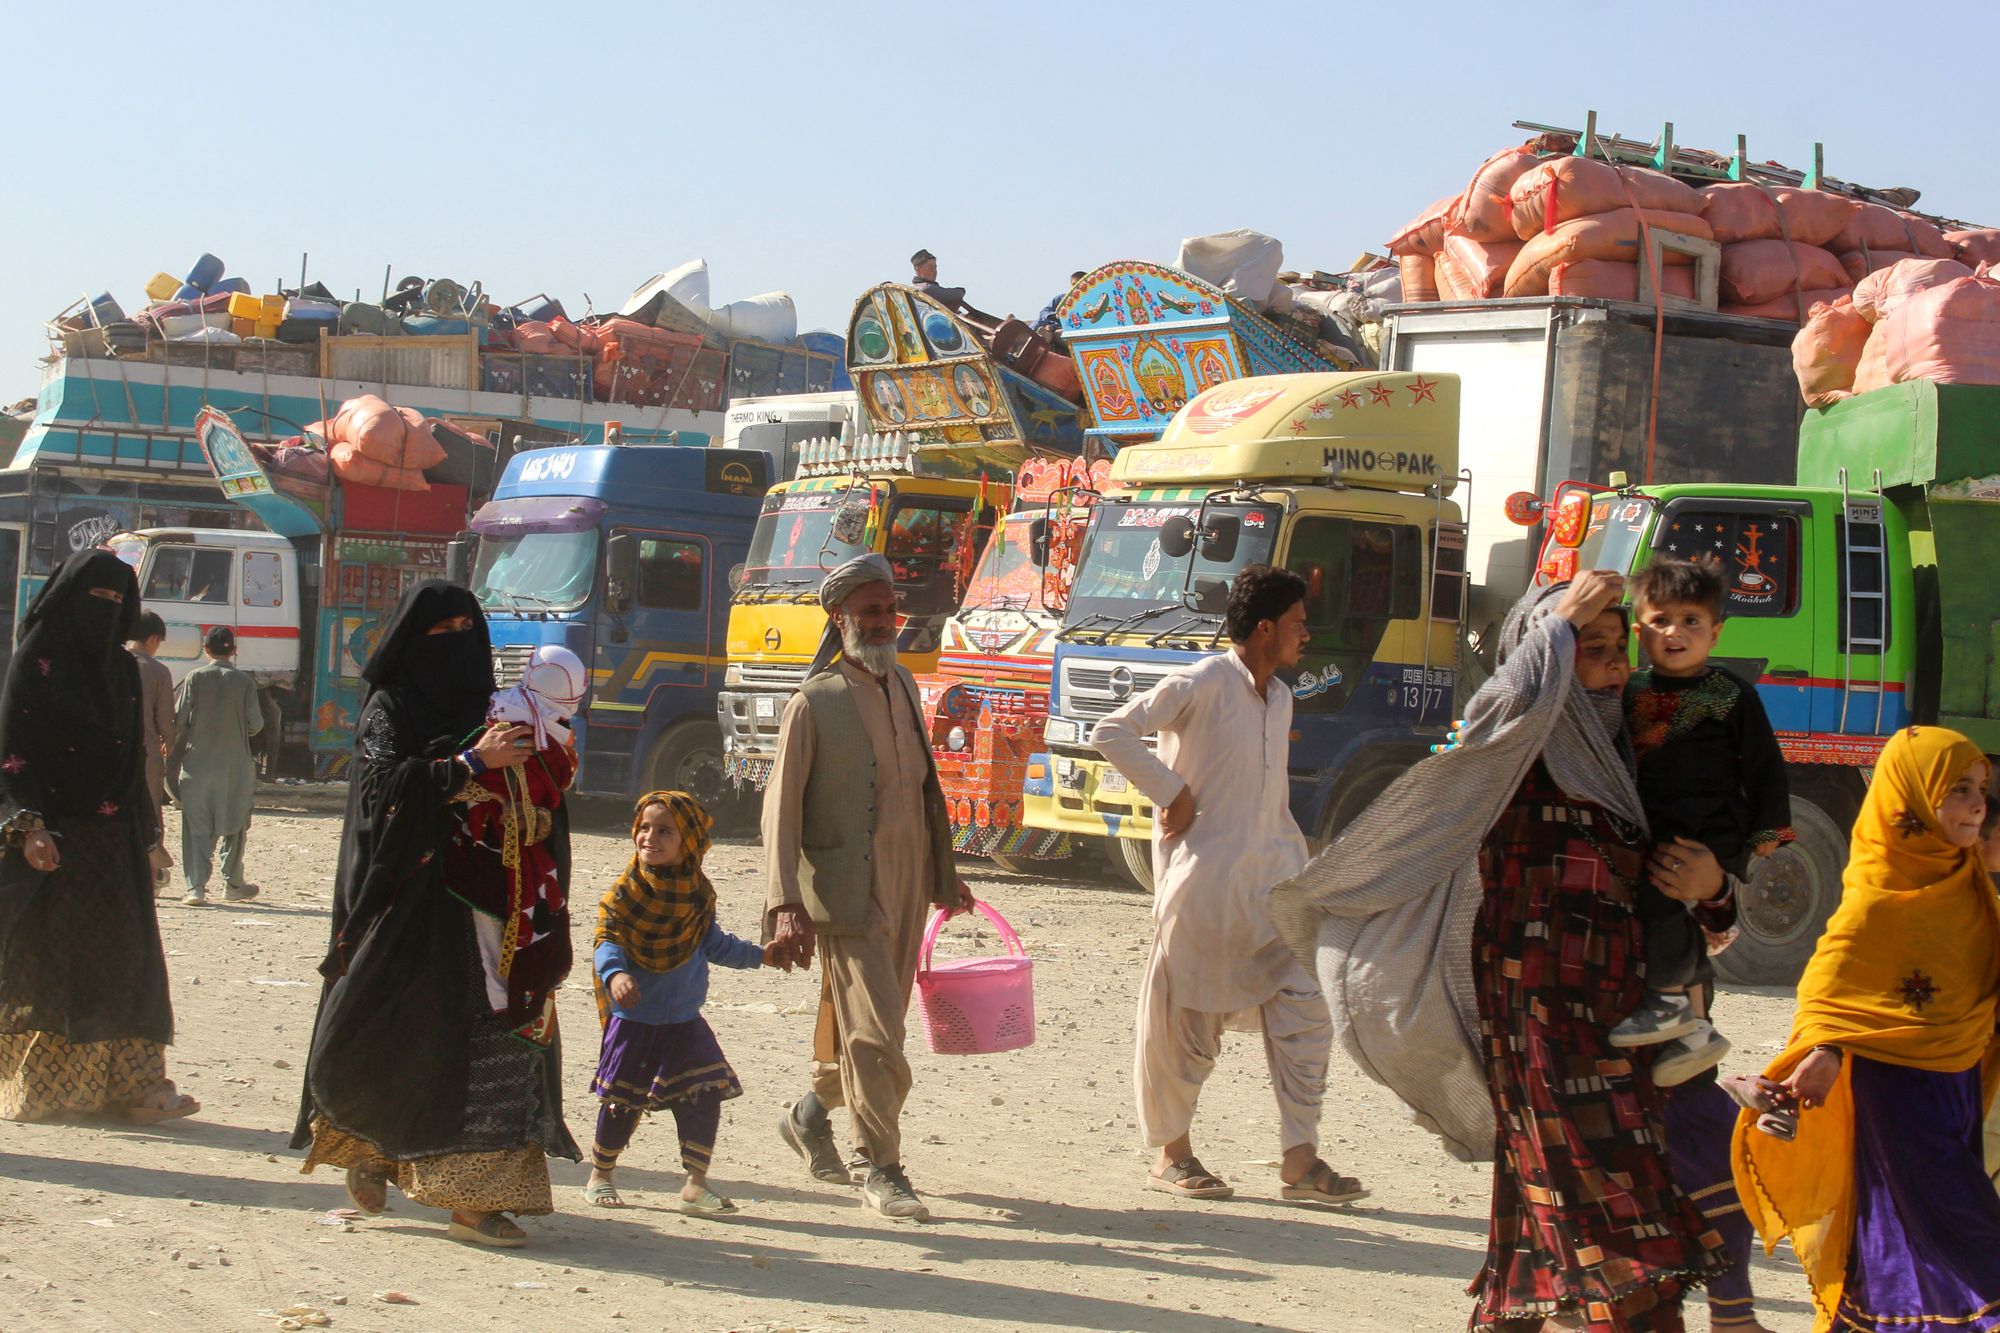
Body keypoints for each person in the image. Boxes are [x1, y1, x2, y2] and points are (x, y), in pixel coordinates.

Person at [1270, 573, 1731, 1330]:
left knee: (1559, 1172)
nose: (1615, 665)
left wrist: (1716, 890)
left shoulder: (1626, 751)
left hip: (1621, 1006)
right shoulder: (1516, 747)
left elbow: (1693, 846)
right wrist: (1555, 627)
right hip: (1541, 1002)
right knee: (1594, 1178)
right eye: (1593, 649)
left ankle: (1528, 1314)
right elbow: (1499, 707)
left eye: (1622, 649)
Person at [291, 582, 579, 1250]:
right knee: (398, 1033)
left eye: (464, 628)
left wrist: (528, 812)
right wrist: (468, 765)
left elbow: (545, 797)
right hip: (412, 909)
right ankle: (371, 1147)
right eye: (438, 630)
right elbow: (382, 792)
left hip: (494, 912)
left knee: (496, 1043)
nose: (454, 644)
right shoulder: (388, 709)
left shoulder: (501, 707)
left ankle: (477, 1201)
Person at [1090, 564, 1359, 1206]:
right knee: (1187, 1023)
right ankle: (1172, 1156)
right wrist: (1171, 791)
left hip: (1276, 886)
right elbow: (1111, 731)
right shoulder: (1203, 681)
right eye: (1298, 623)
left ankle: (1300, 1158)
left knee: (1305, 1010)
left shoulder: (1282, 698)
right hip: (1204, 886)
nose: (1307, 635)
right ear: (1264, 629)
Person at [1733, 725, 2000, 1331]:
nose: (1977, 804)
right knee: (1957, 1235)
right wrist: (1824, 1048)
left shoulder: (1967, 885)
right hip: (1898, 1098)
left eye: (1981, 788)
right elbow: (1833, 985)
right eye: (1958, 789)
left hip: (1956, 1094)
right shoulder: (1877, 897)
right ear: (1909, 797)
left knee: (1911, 1237)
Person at [765, 552, 970, 1221]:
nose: (883, 623)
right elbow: (780, 812)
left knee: (869, 1025)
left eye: (889, 610)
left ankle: (807, 1114)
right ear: (839, 618)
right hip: (847, 886)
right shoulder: (814, 702)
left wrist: (946, 872)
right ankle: (878, 1164)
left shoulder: (904, 684)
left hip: (910, 876)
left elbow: (922, 789)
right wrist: (784, 903)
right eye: (869, 612)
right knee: (877, 1035)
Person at [0, 549, 198, 1124]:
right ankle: (51, 1090)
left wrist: (148, 836)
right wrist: (28, 827)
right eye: (96, 600)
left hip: (113, 842)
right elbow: (13, 751)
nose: (105, 613)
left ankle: (138, 1087)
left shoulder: (122, 670)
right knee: (54, 964)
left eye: (118, 602)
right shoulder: (36, 658)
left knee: (127, 960)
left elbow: (130, 761)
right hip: (54, 843)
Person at [1610, 558, 1790, 1083]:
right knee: (1673, 912)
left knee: (1658, 897)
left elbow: (1764, 765)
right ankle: (1694, 1030)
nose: (1676, 632)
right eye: (1661, 620)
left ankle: (1667, 999)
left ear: (1716, 633)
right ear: (1640, 631)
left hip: (1707, 828)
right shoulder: (1629, 692)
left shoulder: (1733, 695)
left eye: (1691, 621)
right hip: (1655, 825)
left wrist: (1767, 831)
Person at [585, 791, 790, 1214]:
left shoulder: (697, 894)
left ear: (689, 841)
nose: (649, 837)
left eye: (664, 830)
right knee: (624, 1101)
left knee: (704, 1093)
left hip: (683, 1020)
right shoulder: (626, 893)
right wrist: (616, 974)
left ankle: (696, 1184)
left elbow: (713, 944)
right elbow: (607, 940)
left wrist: (761, 955)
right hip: (635, 1020)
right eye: (644, 827)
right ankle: (600, 1174)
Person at [173, 625, 263, 906]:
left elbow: (180, 720)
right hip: (235, 766)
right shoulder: (245, 682)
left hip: (198, 764)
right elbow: (255, 725)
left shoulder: (195, 678)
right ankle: (233, 883)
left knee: (196, 827)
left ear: (205, 648)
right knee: (236, 824)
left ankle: (196, 888)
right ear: (234, 650)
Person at [127, 611, 176, 892]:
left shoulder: (110, 664)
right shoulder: (158, 671)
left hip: (111, 753)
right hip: (146, 754)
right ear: (154, 638)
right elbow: (165, 720)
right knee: (150, 811)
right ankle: (152, 873)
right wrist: (169, 744)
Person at [909, 249, 996, 324]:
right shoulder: (926, 289)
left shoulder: (915, 289)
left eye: (935, 267)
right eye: (930, 267)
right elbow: (959, 293)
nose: (934, 271)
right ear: (918, 270)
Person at [1034, 270, 1087, 335]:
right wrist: (1055, 315)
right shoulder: (1061, 298)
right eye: (1074, 284)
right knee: (1038, 322)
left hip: (1070, 329)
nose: (1076, 287)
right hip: (1053, 326)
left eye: (1079, 283)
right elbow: (1043, 312)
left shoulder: (1088, 301)